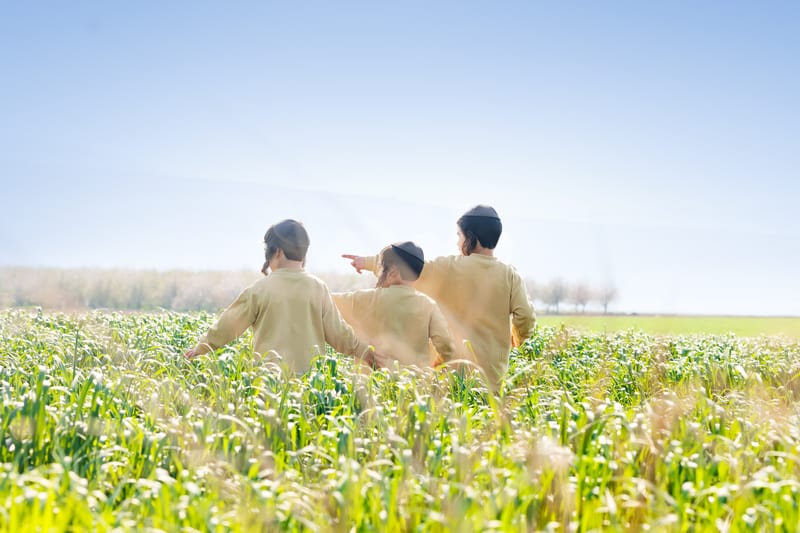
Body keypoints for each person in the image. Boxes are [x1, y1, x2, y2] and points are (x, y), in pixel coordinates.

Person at [342, 205, 535, 389]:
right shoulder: (510, 276)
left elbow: (407, 267)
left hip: (448, 376)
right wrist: (517, 336)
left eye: (459, 235)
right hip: (491, 378)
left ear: (471, 238)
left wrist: (368, 262)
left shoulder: (448, 268)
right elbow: (525, 317)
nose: (457, 242)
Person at [185, 219, 379, 372]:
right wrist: (365, 352)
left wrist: (201, 348)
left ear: (276, 251)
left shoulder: (259, 289)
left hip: (269, 382)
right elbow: (339, 334)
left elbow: (228, 325)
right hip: (311, 382)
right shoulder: (318, 288)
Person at [332, 241, 455, 369]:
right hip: (415, 380)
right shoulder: (428, 305)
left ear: (393, 271)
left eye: (381, 267)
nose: (379, 272)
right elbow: (446, 345)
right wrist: (438, 364)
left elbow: (326, 299)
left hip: (371, 380)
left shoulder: (365, 298)